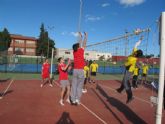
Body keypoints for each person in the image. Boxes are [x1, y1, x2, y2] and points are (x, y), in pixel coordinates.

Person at [116, 36, 143, 104]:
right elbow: (136, 45)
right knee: (124, 80)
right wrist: (140, 39)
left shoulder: (133, 59)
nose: (135, 51)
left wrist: (121, 65)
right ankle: (120, 89)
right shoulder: (134, 52)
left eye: (136, 52)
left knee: (125, 81)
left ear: (137, 54)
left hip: (130, 71)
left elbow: (126, 64)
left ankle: (130, 96)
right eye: (136, 51)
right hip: (128, 69)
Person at [70, 32, 87, 105]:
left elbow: (79, 43)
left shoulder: (74, 52)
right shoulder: (81, 50)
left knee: (74, 85)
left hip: (75, 70)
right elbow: (83, 43)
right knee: (79, 86)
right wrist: (85, 36)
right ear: (78, 47)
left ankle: (73, 99)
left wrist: (80, 36)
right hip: (80, 70)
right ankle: (77, 100)